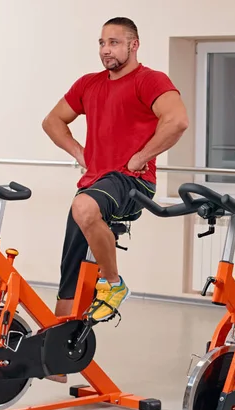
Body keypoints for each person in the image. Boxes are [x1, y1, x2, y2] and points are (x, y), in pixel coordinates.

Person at [42, 15, 188, 370]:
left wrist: (142, 156)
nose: (106, 50)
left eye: (114, 42)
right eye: (102, 43)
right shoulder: (89, 84)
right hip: (94, 182)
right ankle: (57, 366)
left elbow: (177, 120)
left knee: (85, 207)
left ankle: (114, 282)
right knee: (69, 278)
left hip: (131, 181)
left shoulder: (149, 80)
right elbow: (52, 121)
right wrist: (81, 153)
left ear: (133, 44)